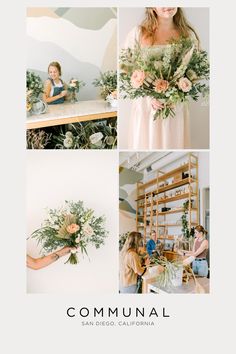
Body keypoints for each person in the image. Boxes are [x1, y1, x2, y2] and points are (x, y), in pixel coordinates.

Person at [123, 7, 199, 149]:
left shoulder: (187, 35)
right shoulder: (138, 33)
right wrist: (149, 94)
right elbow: (127, 67)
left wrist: (175, 94)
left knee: (173, 141)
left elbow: (194, 70)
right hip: (146, 104)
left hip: (174, 104)